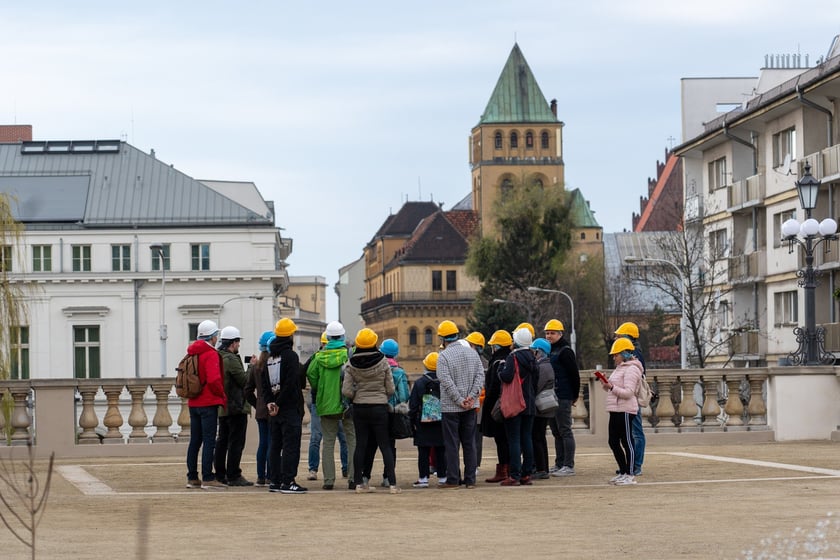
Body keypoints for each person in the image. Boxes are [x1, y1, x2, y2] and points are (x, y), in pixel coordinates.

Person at [342, 328, 400, 494]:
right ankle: (393, 484)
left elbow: (346, 390)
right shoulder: (383, 362)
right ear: (374, 343)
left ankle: (359, 483)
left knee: (361, 445)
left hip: (360, 408)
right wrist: (381, 394)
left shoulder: (351, 363)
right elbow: (390, 388)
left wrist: (356, 395)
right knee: (385, 446)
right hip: (379, 407)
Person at [436, 320, 484, 489]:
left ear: (442, 338)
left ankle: (453, 478)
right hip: (470, 406)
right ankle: (470, 479)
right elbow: (480, 377)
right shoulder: (473, 353)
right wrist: (471, 397)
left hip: (451, 407)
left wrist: (458, 399)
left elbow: (445, 381)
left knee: (452, 443)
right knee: (469, 442)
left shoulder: (443, 357)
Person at [261, 318, 308, 494]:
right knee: (291, 446)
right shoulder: (291, 356)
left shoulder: (270, 356)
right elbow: (291, 384)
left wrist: (270, 403)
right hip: (288, 408)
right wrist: (280, 403)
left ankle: (275, 480)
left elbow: (265, 385)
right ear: (290, 336)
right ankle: (288, 481)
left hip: (273, 408)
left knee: (275, 445)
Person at [307, 321, 354, 490]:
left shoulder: (319, 357)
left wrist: (321, 388)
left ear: (327, 337)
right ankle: (352, 478)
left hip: (325, 404)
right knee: (351, 440)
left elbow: (311, 375)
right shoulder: (349, 354)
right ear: (342, 336)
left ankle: (328, 481)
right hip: (347, 404)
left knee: (327, 442)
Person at [185, 319, 227, 490]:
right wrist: (222, 396)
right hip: (208, 402)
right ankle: (208, 477)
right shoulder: (210, 354)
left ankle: (192, 477)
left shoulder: (191, 353)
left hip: (193, 402)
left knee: (195, 440)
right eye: (216, 335)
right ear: (212, 337)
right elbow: (214, 379)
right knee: (209, 440)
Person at [597, 337, 643, 486]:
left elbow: (629, 393)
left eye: (616, 354)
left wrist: (611, 387)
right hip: (615, 409)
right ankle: (623, 471)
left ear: (624, 354)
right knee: (613, 441)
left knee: (627, 440)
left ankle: (630, 474)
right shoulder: (620, 368)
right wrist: (606, 383)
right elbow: (613, 387)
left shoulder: (632, 369)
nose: (614, 357)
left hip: (625, 409)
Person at [365, 338, 409, 487]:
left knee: (371, 445)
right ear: (395, 354)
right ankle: (387, 477)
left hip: (375, 408)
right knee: (389, 446)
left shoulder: (376, 367)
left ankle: (365, 476)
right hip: (392, 413)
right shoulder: (400, 372)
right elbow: (404, 396)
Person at [497, 327, 539, 486]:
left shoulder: (512, 357)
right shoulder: (533, 357)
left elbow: (506, 377)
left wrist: (500, 370)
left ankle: (514, 474)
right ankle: (527, 474)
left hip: (515, 403)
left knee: (514, 439)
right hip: (529, 403)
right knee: (527, 438)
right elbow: (536, 380)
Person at [214, 325, 253, 486]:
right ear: (233, 343)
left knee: (222, 441)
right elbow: (245, 381)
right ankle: (233, 475)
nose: (239, 345)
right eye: (237, 342)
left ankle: (220, 474)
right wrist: (251, 366)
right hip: (235, 406)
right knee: (236, 442)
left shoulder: (218, 356)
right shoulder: (230, 359)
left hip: (223, 407)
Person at [545, 318, 580, 477]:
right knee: (556, 431)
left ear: (560, 334)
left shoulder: (565, 351)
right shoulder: (549, 350)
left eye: (552, 333)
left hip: (563, 396)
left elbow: (574, 375)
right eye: (547, 333)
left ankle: (568, 465)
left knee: (565, 430)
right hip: (551, 396)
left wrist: (574, 395)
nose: (549, 336)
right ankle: (559, 463)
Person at [408, 352, 447, 488]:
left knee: (423, 451)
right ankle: (443, 477)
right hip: (441, 421)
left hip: (423, 422)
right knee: (441, 450)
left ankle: (423, 478)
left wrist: (412, 421)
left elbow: (413, 405)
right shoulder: (444, 381)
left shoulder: (419, 383)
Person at [480, 330, 512, 483]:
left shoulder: (497, 361)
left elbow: (493, 386)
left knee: (501, 439)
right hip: (511, 404)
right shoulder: (511, 358)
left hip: (498, 405)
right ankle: (511, 469)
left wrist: (488, 404)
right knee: (509, 438)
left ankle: (503, 470)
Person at [615, 322, 646, 476]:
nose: (616, 338)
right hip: (630, 398)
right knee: (633, 432)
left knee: (636, 432)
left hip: (632, 398)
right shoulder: (632, 352)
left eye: (619, 335)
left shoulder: (634, 354)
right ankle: (633, 464)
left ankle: (636, 465)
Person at [244, 330, 274, 486]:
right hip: (274, 408)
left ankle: (260, 476)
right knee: (272, 442)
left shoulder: (256, 367)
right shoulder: (274, 363)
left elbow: (248, 390)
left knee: (263, 443)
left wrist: (257, 404)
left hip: (261, 408)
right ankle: (271, 475)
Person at [530, 337, 555, 479]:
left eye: (534, 350)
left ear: (540, 352)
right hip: (543, 408)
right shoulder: (545, 365)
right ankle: (542, 467)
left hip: (541, 408)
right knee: (539, 438)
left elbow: (535, 386)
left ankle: (541, 469)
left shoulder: (543, 367)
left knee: (537, 437)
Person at [465, 331, 487, 474]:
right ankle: (474, 464)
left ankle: (475, 464)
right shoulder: (483, 362)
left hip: (478, 405)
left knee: (476, 438)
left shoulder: (483, 363)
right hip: (473, 404)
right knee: (472, 438)